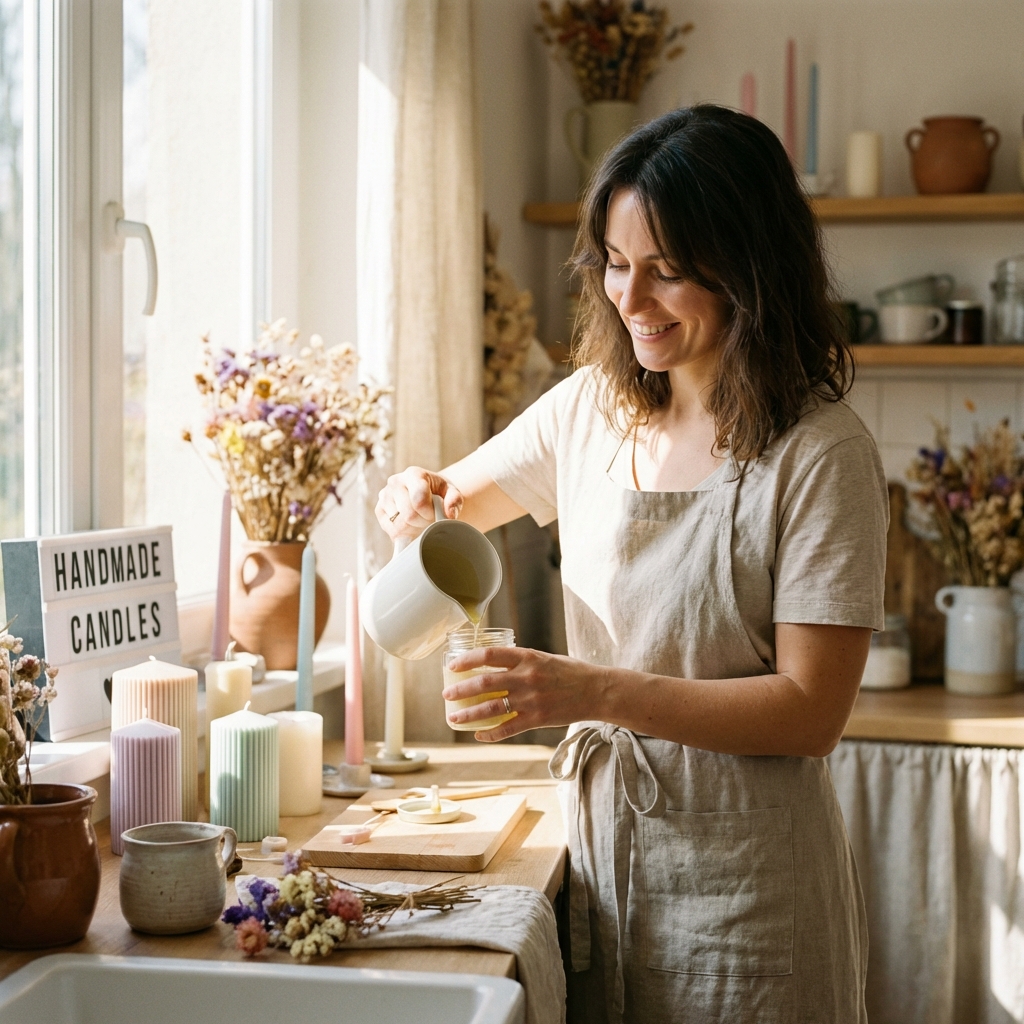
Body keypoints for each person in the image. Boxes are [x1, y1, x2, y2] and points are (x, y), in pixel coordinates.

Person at [375, 105, 887, 1023]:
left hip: (755, 895)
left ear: (749, 268)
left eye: (668, 272)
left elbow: (812, 712)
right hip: (603, 867)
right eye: (615, 263)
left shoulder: (820, 453)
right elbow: (455, 501)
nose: (630, 299)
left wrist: (587, 692)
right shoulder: (591, 410)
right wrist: (413, 499)